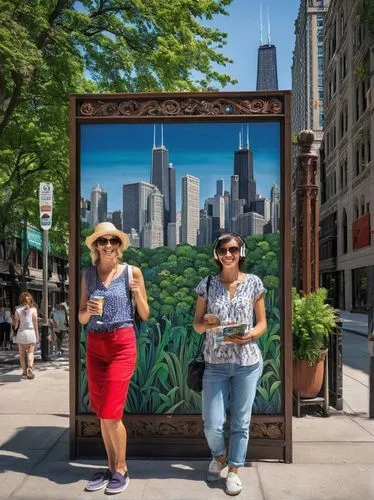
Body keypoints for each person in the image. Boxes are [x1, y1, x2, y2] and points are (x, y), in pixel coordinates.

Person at [193, 232, 267, 496]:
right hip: (215, 364)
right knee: (212, 423)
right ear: (216, 254)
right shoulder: (208, 285)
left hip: (247, 362)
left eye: (233, 249)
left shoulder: (254, 284)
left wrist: (249, 335)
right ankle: (219, 455)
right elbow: (197, 325)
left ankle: (234, 470)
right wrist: (208, 324)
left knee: (241, 421)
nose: (228, 254)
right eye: (223, 250)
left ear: (241, 252)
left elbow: (262, 324)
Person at [78, 222, 149, 495]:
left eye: (113, 241)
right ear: (96, 246)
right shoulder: (89, 276)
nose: (108, 245)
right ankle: (110, 469)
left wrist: (136, 292)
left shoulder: (132, 272)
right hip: (95, 345)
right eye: (103, 241)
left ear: (119, 246)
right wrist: (90, 311)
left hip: (122, 343)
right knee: (101, 413)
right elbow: (81, 317)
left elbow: (144, 313)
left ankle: (122, 469)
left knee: (111, 411)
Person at [13, 292, 40, 379]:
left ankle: (24, 370)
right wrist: (37, 334)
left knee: (21, 353)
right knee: (31, 352)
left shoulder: (17, 310)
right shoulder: (34, 310)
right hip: (31, 332)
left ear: (21, 300)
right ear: (30, 300)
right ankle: (30, 368)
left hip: (21, 333)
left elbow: (16, 324)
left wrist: (14, 328)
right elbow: (35, 323)